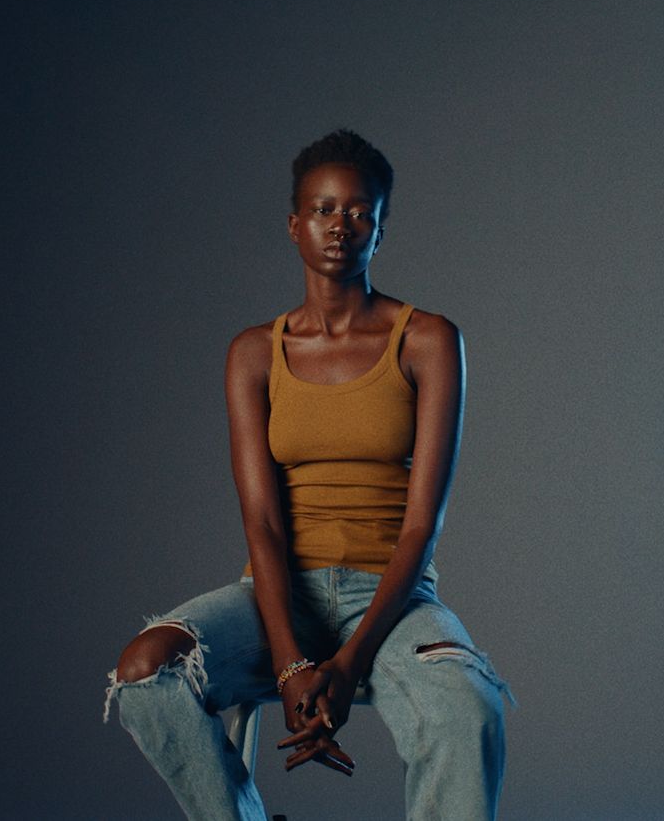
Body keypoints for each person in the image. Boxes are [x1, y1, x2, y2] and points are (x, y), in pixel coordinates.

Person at [104, 129, 511, 820]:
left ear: (380, 229)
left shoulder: (428, 340)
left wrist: (347, 667)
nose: (340, 225)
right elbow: (261, 522)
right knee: (146, 672)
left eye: (359, 212)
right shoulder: (253, 353)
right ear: (295, 225)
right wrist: (293, 664)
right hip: (275, 597)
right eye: (324, 209)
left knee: (467, 709)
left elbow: (421, 526)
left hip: (391, 597)